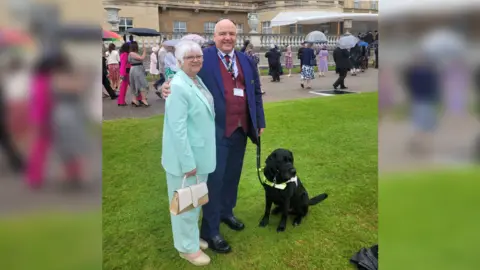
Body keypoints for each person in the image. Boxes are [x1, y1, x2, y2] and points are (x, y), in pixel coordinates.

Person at [161, 19, 266, 254]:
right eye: (222, 34)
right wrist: (165, 86)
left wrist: (259, 120)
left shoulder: (246, 60)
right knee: (214, 182)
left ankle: (227, 212)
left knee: (232, 177)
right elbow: (178, 77)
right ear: (215, 36)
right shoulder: (202, 57)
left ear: (236, 35)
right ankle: (210, 230)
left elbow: (255, 92)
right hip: (214, 132)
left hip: (241, 128)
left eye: (231, 33)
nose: (227, 37)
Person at [162, 40, 216, 266]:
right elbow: (177, 129)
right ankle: (187, 249)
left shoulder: (195, 80)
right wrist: (187, 163)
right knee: (184, 205)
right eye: (190, 57)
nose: (196, 60)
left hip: (199, 155)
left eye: (199, 56)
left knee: (195, 202)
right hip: (186, 159)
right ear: (179, 61)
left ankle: (191, 239)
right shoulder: (178, 85)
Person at [128, 41, 150, 107]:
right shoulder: (132, 53)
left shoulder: (133, 53)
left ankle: (135, 100)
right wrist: (144, 51)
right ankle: (143, 99)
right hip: (136, 70)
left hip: (136, 69)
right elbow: (142, 58)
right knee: (142, 84)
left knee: (136, 84)